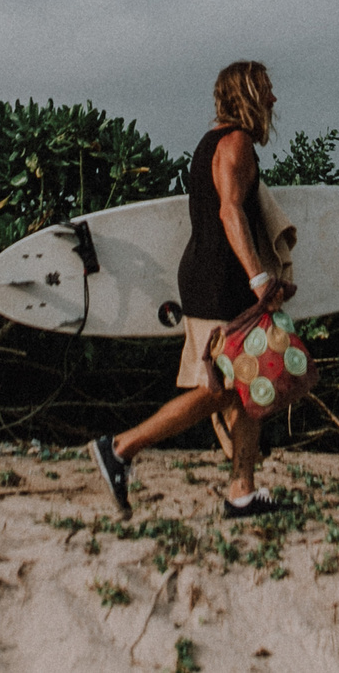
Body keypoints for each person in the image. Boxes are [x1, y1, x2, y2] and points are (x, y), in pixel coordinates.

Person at [90, 60, 293, 521]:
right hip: (219, 278)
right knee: (230, 383)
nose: (273, 100)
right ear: (247, 94)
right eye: (266, 90)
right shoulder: (236, 142)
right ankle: (121, 448)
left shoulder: (213, 143)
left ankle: (242, 491)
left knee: (248, 383)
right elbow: (230, 212)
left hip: (212, 274)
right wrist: (260, 277)